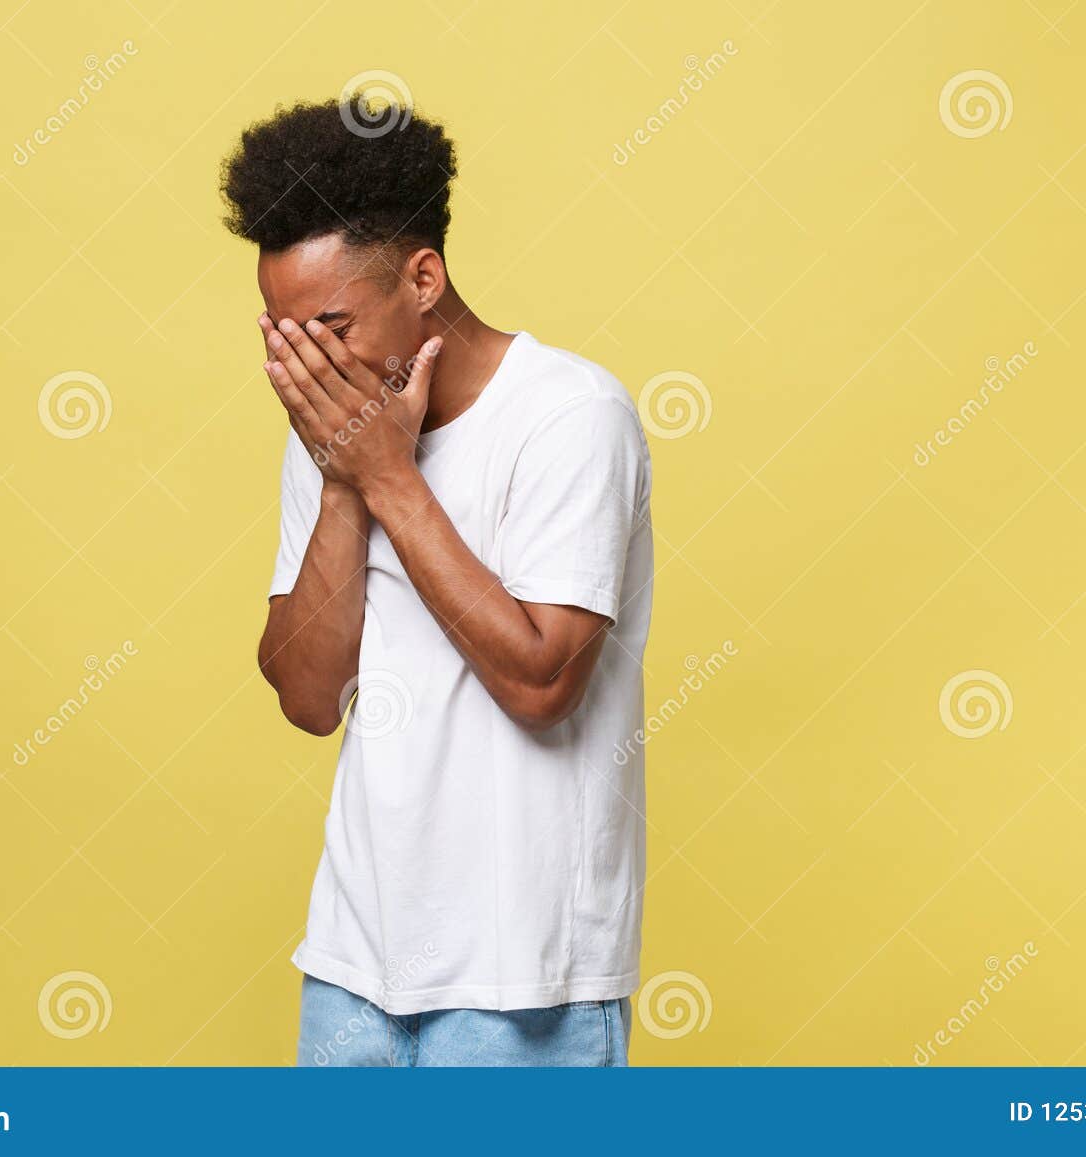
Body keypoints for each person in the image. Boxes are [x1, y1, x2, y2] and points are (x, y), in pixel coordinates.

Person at [220, 96, 654, 1067]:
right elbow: (305, 696)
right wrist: (343, 478)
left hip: (522, 980)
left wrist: (385, 474)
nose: (309, 365)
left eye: (331, 325)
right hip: (352, 966)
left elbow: (543, 683)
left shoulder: (570, 415)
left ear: (424, 277)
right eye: (286, 337)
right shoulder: (335, 432)